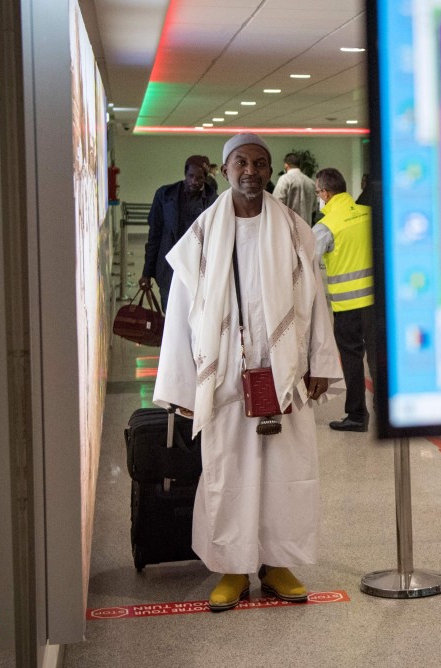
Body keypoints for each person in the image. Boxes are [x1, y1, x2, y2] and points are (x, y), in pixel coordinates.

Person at [154, 133, 344, 612]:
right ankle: (233, 569)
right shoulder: (202, 234)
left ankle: (277, 563)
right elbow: (179, 311)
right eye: (241, 162)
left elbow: (316, 298)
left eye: (260, 163)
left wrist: (320, 361)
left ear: (270, 170)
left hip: (285, 374)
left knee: (287, 472)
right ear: (224, 169)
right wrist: (179, 385)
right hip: (225, 378)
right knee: (229, 471)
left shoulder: (296, 229)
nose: (252, 172)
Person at [312, 168, 377, 432]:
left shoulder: (325, 226)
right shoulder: (369, 213)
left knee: (352, 359)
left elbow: (307, 263)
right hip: (376, 304)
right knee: (377, 356)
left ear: (325, 193)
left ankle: (357, 416)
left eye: (318, 193)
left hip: (347, 307)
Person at [138, 155, 217, 309]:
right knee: (170, 315)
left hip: (198, 271)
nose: (194, 181)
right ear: (185, 174)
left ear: (205, 179)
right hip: (169, 269)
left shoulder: (213, 202)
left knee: (195, 319)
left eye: (199, 178)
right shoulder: (165, 196)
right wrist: (146, 273)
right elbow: (154, 236)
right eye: (191, 176)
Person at [272, 152, 317, 226]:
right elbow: (314, 208)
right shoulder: (311, 183)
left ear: (286, 165)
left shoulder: (284, 179)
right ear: (299, 165)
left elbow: (276, 204)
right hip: (306, 229)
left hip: (288, 228)